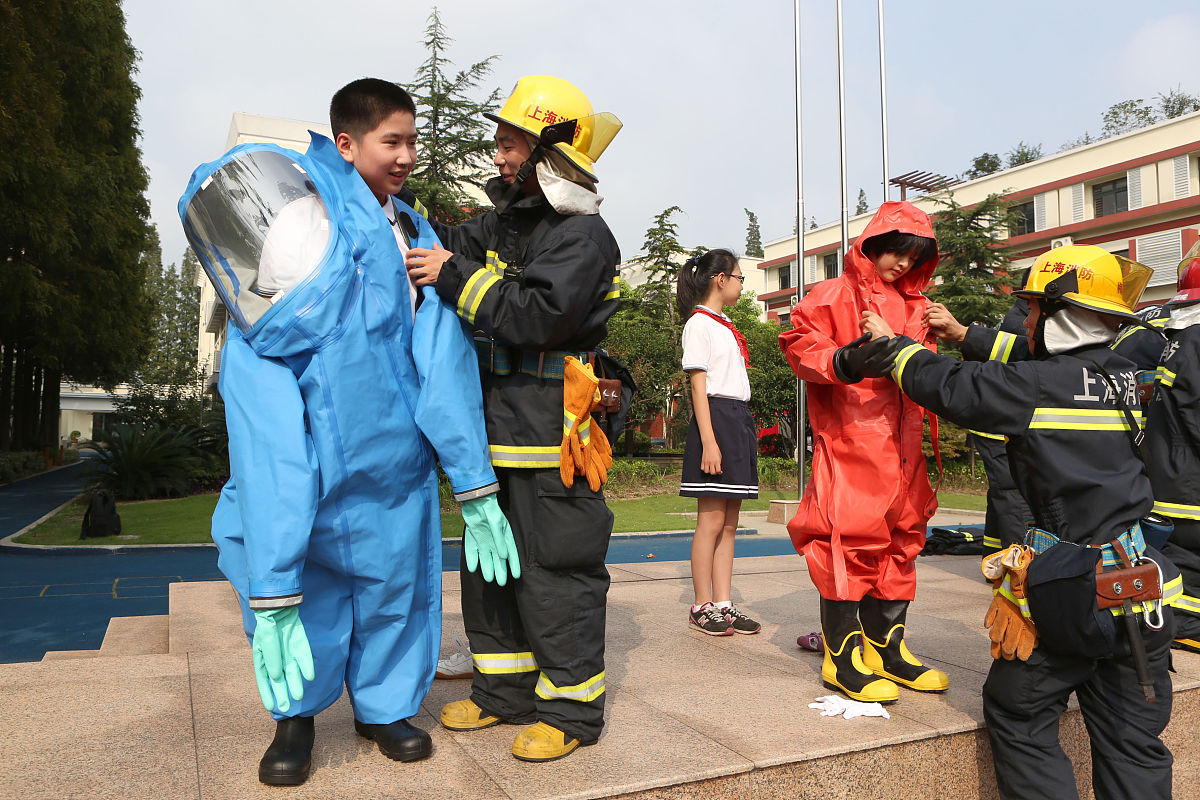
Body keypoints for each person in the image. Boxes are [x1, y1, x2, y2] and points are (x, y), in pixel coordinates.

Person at [178, 78, 517, 786]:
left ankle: (385, 709)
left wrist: (474, 484)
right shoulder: (301, 223)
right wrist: (270, 584)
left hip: (396, 464)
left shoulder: (414, 232)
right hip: (316, 455)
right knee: (308, 589)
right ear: (345, 142)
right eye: (392, 141)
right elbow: (267, 356)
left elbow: (442, 361)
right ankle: (294, 721)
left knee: (396, 587)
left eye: (412, 141)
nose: (406, 156)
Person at [851, 244, 1182, 799]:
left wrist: (893, 347)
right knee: (1134, 743)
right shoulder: (1129, 378)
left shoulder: (1040, 388)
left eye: (1033, 310)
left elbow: (958, 388)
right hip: (1141, 592)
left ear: (1062, 314)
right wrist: (964, 333)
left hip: (1076, 588)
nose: (1026, 321)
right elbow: (1020, 358)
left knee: (1017, 709)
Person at [403, 75, 621, 763]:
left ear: (550, 152)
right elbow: (435, 241)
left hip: (554, 435)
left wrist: (451, 276)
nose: (499, 158)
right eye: (497, 143)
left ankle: (571, 708)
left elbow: (535, 315)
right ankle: (503, 693)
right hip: (488, 435)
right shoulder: (497, 225)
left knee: (557, 571)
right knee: (488, 570)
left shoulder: (583, 235)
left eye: (510, 145)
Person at [778, 200, 949, 705]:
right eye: (895, 250)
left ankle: (886, 647)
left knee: (903, 539)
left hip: (906, 443)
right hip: (853, 439)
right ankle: (842, 655)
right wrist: (845, 359)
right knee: (846, 541)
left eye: (912, 255)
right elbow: (799, 345)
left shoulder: (921, 308)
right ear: (872, 244)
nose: (900, 263)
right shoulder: (833, 294)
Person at [676, 249, 762, 636]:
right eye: (740, 277)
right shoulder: (700, 324)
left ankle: (724, 604)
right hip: (715, 420)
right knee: (710, 520)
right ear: (720, 279)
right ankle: (701, 605)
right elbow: (698, 387)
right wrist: (709, 442)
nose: (743, 285)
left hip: (738, 420)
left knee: (730, 523)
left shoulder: (724, 324)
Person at [924, 298, 1033, 558]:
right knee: (1013, 496)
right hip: (1001, 427)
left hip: (994, 424)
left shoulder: (1016, 317)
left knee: (1002, 494)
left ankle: (994, 557)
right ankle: (1016, 569)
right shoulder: (1023, 323)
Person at [1145, 241, 1200, 651]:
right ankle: (1184, 627)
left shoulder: (1183, 335)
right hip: (1189, 488)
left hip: (1174, 480)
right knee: (1190, 565)